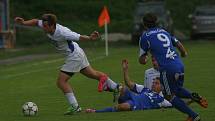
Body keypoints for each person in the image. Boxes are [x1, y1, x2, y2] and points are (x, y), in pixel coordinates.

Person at [14, 13, 117, 115]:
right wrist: (24, 22)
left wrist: (90, 38)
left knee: (61, 82)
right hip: (77, 53)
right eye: (43, 26)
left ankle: (75, 106)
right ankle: (116, 87)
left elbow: (79, 37)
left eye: (45, 26)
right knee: (93, 74)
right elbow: (36, 22)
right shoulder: (46, 24)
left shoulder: (63, 32)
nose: (43, 28)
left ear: (52, 25)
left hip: (74, 56)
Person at [139, 13, 208, 121]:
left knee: (168, 94)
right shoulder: (164, 31)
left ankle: (193, 116)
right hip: (179, 64)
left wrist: (144, 58)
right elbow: (178, 43)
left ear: (144, 24)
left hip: (167, 68)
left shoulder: (145, 37)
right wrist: (184, 53)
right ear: (156, 22)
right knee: (177, 89)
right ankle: (194, 96)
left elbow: (142, 60)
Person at [85, 59, 172, 113]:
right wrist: (125, 70)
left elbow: (174, 103)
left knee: (123, 107)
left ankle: (95, 110)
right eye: (153, 82)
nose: (153, 84)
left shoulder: (161, 100)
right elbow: (129, 83)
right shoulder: (145, 89)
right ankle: (110, 87)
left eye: (156, 83)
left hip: (136, 104)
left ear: (162, 87)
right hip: (132, 96)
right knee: (122, 88)